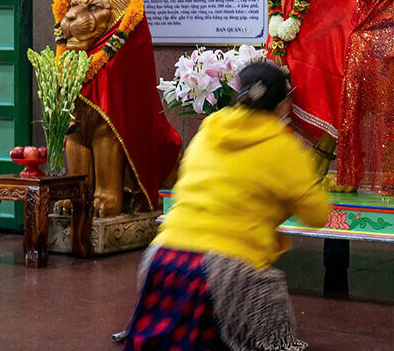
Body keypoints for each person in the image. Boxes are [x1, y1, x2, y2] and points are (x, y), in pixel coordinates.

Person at [123, 61, 330, 351]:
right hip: (225, 270)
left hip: (162, 260)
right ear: (283, 105)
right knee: (277, 337)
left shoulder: (209, 130)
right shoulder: (282, 147)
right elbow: (317, 214)